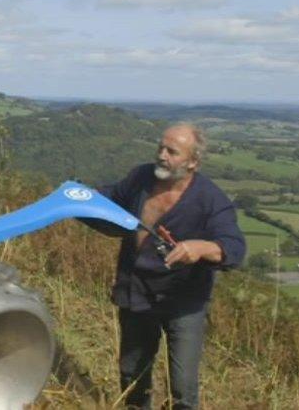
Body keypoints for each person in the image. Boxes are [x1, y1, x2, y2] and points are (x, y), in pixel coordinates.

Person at [85, 124, 246, 409]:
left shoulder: (211, 201)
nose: (162, 155)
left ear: (193, 162)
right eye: (161, 147)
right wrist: (78, 197)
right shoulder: (141, 177)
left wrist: (202, 247)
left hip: (184, 303)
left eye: (172, 151)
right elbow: (112, 198)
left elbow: (234, 246)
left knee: (183, 388)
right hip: (137, 294)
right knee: (133, 374)